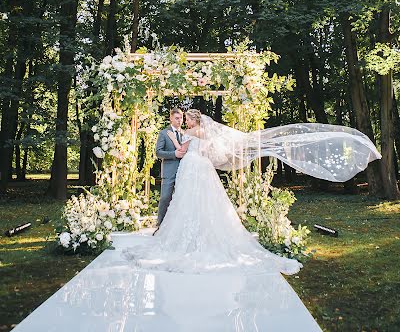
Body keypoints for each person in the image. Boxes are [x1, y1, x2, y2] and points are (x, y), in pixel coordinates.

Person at [124, 109, 381, 276]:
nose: (186, 122)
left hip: (192, 169)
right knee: (201, 202)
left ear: (193, 120)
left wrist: (184, 148)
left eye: (188, 119)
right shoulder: (203, 132)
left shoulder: (190, 132)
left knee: (189, 202)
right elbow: (211, 153)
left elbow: (184, 149)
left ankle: (183, 236)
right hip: (200, 169)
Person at [154, 107, 188, 230]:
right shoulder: (164, 133)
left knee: (182, 199)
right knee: (165, 197)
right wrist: (174, 154)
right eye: (177, 118)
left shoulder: (185, 134)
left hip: (185, 171)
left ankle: (177, 229)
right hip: (169, 171)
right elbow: (158, 152)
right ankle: (160, 225)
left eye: (181, 118)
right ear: (171, 118)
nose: (180, 121)